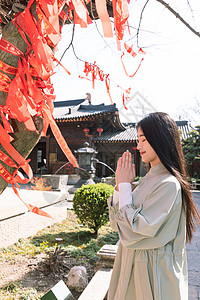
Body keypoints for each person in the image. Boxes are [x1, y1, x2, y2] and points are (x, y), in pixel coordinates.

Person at [107, 112, 200, 300]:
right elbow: (118, 225)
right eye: (138, 139)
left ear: (159, 139)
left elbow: (133, 232)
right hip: (133, 265)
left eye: (143, 139)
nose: (138, 145)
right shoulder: (150, 179)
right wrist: (120, 186)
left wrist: (126, 186)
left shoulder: (168, 184)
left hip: (152, 274)